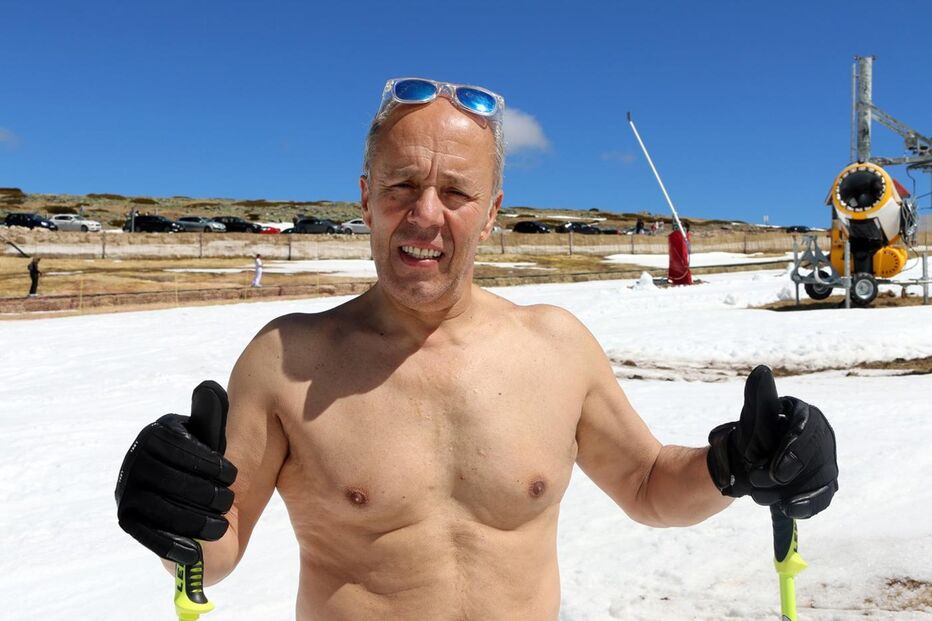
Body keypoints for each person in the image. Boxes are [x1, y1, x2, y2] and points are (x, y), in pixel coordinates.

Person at [116, 77, 838, 620]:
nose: (425, 214)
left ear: (491, 214)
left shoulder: (554, 348)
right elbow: (216, 547)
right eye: (402, 184)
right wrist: (164, 505)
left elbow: (648, 484)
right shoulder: (286, 359)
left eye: (456, 191)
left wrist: (739, 461)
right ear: (366, 198)